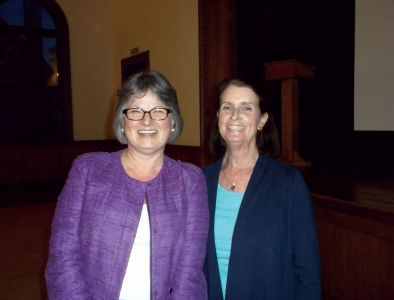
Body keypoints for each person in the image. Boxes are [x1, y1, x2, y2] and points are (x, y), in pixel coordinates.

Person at [45, 71, 209, 299]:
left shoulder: (191, 181)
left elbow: (189, 273)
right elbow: (63, 258)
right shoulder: (87, 171)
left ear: (173, 122)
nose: (147, 120)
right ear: (122, 122)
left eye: (159, 110)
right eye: (135, 111)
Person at [203, 78, 321, 300]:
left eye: (246, 108)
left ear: (262, 120)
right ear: (218, 117)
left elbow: (308, 274)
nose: (235, 116)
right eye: (227, 107)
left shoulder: (288, 184)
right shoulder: (200, 182)